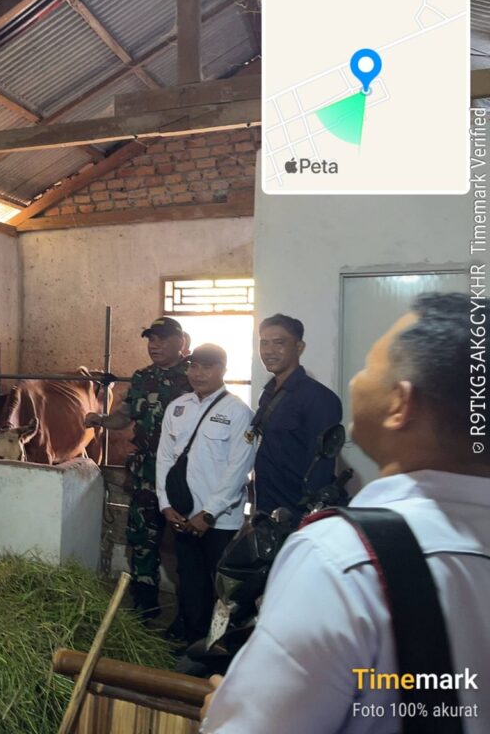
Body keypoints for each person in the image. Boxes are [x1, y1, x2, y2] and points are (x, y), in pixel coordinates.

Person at [201, 293, 490, 733]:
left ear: (401, 404)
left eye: (371, 366)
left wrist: (220, 713)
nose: (356, 379)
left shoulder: (340, 557)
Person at [84, 316, 191, 624]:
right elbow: (125, 416)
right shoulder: (142, 378)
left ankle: (188, 616)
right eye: (150, 339)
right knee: (142, 541)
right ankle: (145, 609)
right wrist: (101, 420)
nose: (154, 345)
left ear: (181, 341)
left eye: (162, 339)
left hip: (182, 476)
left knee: (186, 546)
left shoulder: (193, 376)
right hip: (146, 473)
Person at [156, 344, 254, 646]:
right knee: (190, 583)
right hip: (183, 516)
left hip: (220, 522)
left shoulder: (238, 412)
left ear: (223, 370)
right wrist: (165, 504)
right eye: (194, 366)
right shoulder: (177, 408)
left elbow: (240, 468)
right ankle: (193, 647)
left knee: (224, 591)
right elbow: (164, 458)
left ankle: (220, 650)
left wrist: (209, 512)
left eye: (208, 367)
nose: (198, 374)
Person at [251, 313, 342, 518]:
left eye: (279, 343)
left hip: (296, 512)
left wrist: (310, 516)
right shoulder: (268, 394)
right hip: (267, 508)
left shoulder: (319, 398)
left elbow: (321, 468)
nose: (269, 351)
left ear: (299, 347)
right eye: (264, 343)